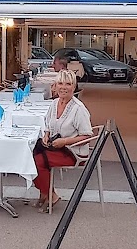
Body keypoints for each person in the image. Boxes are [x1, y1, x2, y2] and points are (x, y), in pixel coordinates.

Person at [33, 69, 93, 212]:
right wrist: (46, 135)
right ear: (55, 86)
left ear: (74, 86)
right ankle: (45, 192)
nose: (63, 87)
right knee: (29, 154)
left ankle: (50, 195)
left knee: (38, 161)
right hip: (57, 147)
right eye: (60, 83)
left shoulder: (79, 109)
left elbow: (87, 136)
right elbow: (48, 125)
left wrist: (64, 142)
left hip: (74, 152)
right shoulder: (54, 103)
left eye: (68, 84)